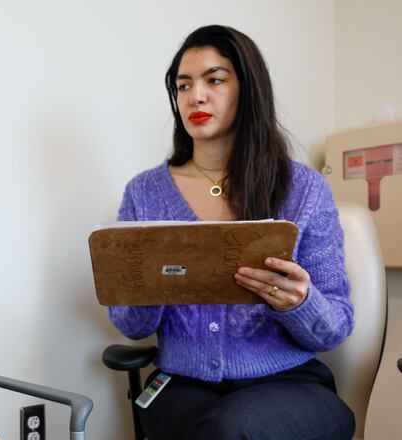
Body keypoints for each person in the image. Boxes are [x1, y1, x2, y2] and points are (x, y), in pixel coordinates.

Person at [108, 25, 355, 439]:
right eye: (183, 85)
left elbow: (335, 328)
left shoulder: (304, 189)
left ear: (249, 89)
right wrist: (153, 282)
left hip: (288, 383)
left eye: (215, 80)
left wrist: (299, 302)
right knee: (221, 430)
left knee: (230, 429)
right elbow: (131, 326)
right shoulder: (144, 193)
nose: (195, 96)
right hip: (181, 384)